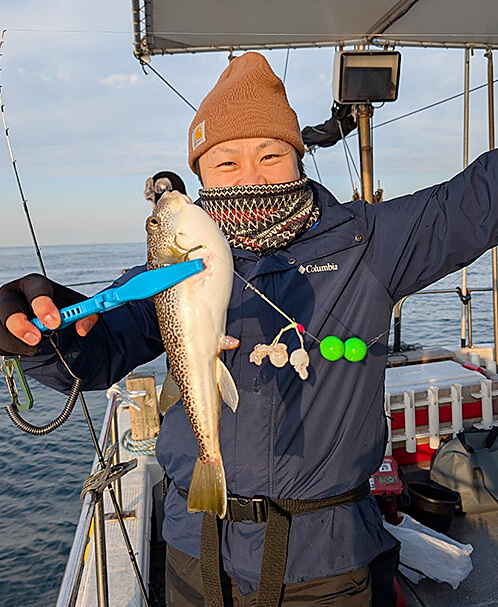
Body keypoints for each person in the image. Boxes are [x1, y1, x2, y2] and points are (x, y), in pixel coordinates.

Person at [1, 51, 498, 606]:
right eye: (226, 164)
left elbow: (479, 198)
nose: (253, 177)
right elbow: (96, 357)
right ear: (200, 177)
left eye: (270, 155)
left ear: (299, 159)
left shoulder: (370, 242)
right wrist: (44, 335)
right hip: (198, 551)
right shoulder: (166, 274)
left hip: (327, 563)